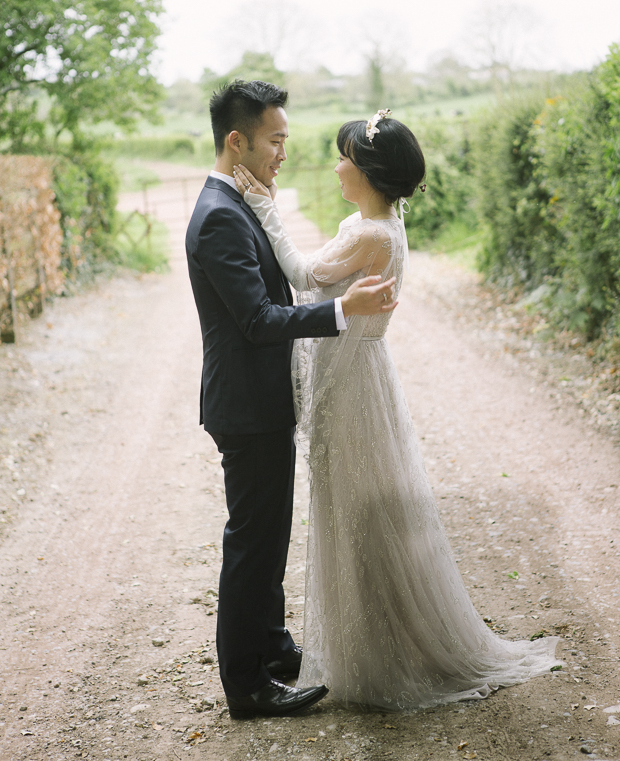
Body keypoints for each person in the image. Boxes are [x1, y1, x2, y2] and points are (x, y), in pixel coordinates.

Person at [233, 108, 560, 711]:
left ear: (367, 170)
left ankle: (378, 654)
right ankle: (370, 639)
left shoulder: (369, 233)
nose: (335, 167)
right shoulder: (379, 223)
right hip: (362, 375)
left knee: (355, 512)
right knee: (359, 509)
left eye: (343, 158)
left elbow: (305, 275)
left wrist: (264, 208)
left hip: (352, 383)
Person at [185, 81, 398, 720]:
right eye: (275, 140)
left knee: (271, 534)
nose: (283, 152)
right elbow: (256, 319)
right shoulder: (221, 214)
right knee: (252, 543)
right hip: (246, 408)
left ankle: (275, 649)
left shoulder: (240, 198)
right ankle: (247, 686)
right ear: (236, 140)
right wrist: (342, 309)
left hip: (262, 401)